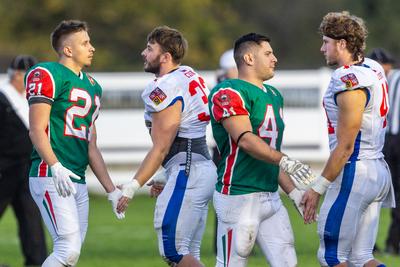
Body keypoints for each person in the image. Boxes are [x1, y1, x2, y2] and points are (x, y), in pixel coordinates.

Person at [208, 32, 314, 267]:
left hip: (270, 196)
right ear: (248, 58)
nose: (274, 58)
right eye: (267, 53)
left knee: (287, 262)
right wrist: (286, 160)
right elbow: (245, 140)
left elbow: (269, 154)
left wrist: (294, 192)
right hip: (238, 195)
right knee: (231, 263)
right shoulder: (229, 91)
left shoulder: (274, 95)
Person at [26, 20, 124, 267]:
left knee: (72, 255)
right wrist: (55, 166)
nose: (91, 48)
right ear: (68, 50)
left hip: (77, 178)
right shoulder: (47, 73)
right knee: (67, 250)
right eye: (85, 43)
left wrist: (111, 190)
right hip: (50, 174)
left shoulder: (93, 86)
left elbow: (91, 145)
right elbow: (36, 130)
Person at [117, 26, 217, 267]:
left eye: (150, 49)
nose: (143, 53)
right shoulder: (186, 73)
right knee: (188, 251)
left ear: (166, 57)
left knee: (173, 251)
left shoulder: (163, 87)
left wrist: (133, 185)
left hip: (188, 170)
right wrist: (165, 173)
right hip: (196, 166)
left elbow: (162, 146)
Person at [302, 11, 395, 267]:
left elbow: (345, 146)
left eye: (326, 42)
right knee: (361, 258)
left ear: (342, 43)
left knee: (331, 257)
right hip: (376, 168)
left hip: (356, 171)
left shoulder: (348, 79)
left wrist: (318, 187)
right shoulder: (373, 67)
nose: (322, 49)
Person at [0, 55, 47, 266]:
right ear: (17, 75)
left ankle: (37, 262)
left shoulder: (31, 100)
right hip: (3, 169)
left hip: (26, 170)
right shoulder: (3, 98)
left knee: (31, 220)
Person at [368, 48, 400, 255]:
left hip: (385, 140)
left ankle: (388, 241)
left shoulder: (376, 80)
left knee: (374, 193)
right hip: (388, 140)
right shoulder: (387, 79)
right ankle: (391, 242)